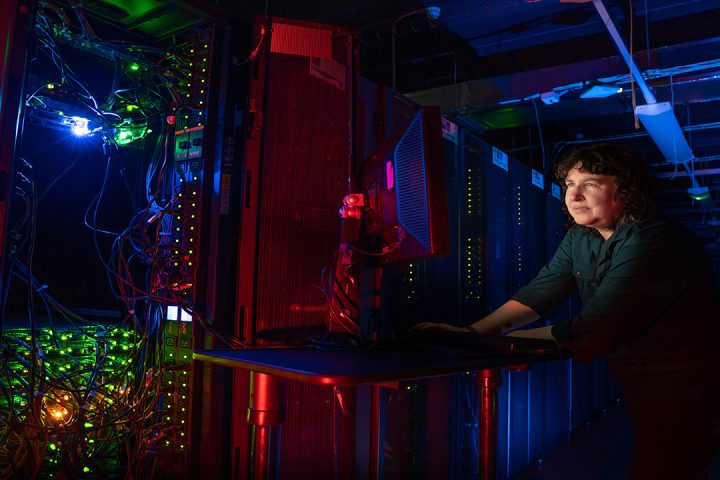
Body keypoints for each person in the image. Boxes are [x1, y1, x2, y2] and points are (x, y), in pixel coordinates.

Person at [414, 143, 720, 479]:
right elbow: (542, 292)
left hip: (691, 385)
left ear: (626, 190)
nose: (573, 196)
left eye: (589, 184)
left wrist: (496, 343)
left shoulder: (655, 240)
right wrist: (475, 333)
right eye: (568, 185)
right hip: (644, 381)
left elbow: (595, 331)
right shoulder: (581, 237)